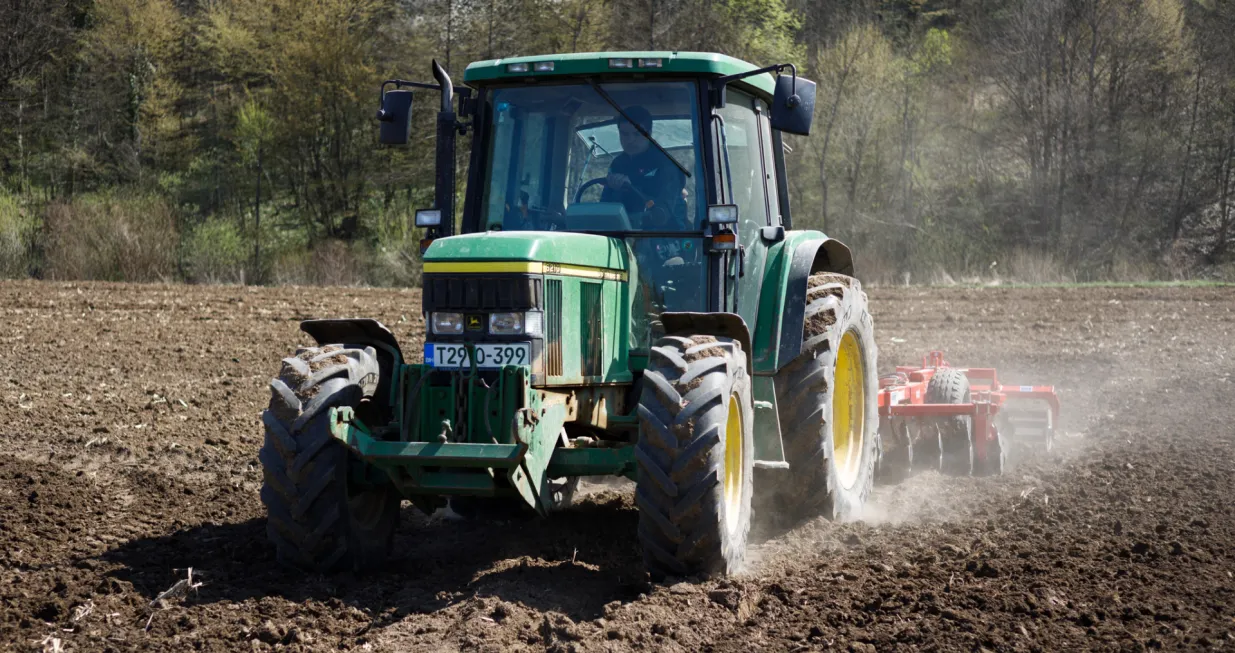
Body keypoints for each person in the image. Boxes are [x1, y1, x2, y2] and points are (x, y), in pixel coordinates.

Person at [600, 106, 687, 228]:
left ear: (649, 133)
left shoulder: (667, 165)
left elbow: (662, 214)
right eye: (625, 134)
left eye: (637, 134)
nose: (630, 140)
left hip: (664, 237)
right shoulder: (617, 164)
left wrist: (632, 187)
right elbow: (605, 205)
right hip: (622, 233)